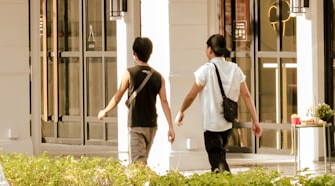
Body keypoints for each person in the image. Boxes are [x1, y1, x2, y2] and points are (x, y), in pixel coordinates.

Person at [175, 34, 261, 173]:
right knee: (219, 158)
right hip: (227, 123)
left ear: (210, 50)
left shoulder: (206, 70)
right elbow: (246, 95)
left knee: (217, 162)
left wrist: (181, 111)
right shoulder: (235, 69)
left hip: (211, 125)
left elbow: (191, 95)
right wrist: (255, 120)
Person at [97, 36, 175, 164]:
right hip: (152, 126)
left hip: (136, 124)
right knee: (141, 160)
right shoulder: (159, 77)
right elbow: (164, 102)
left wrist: (105, 110)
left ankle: (148, 183)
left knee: (138, 163)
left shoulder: (129, 73)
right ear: (150, 53)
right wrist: (170, 127)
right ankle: (144, 183)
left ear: (134, 53)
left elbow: (118, 95)